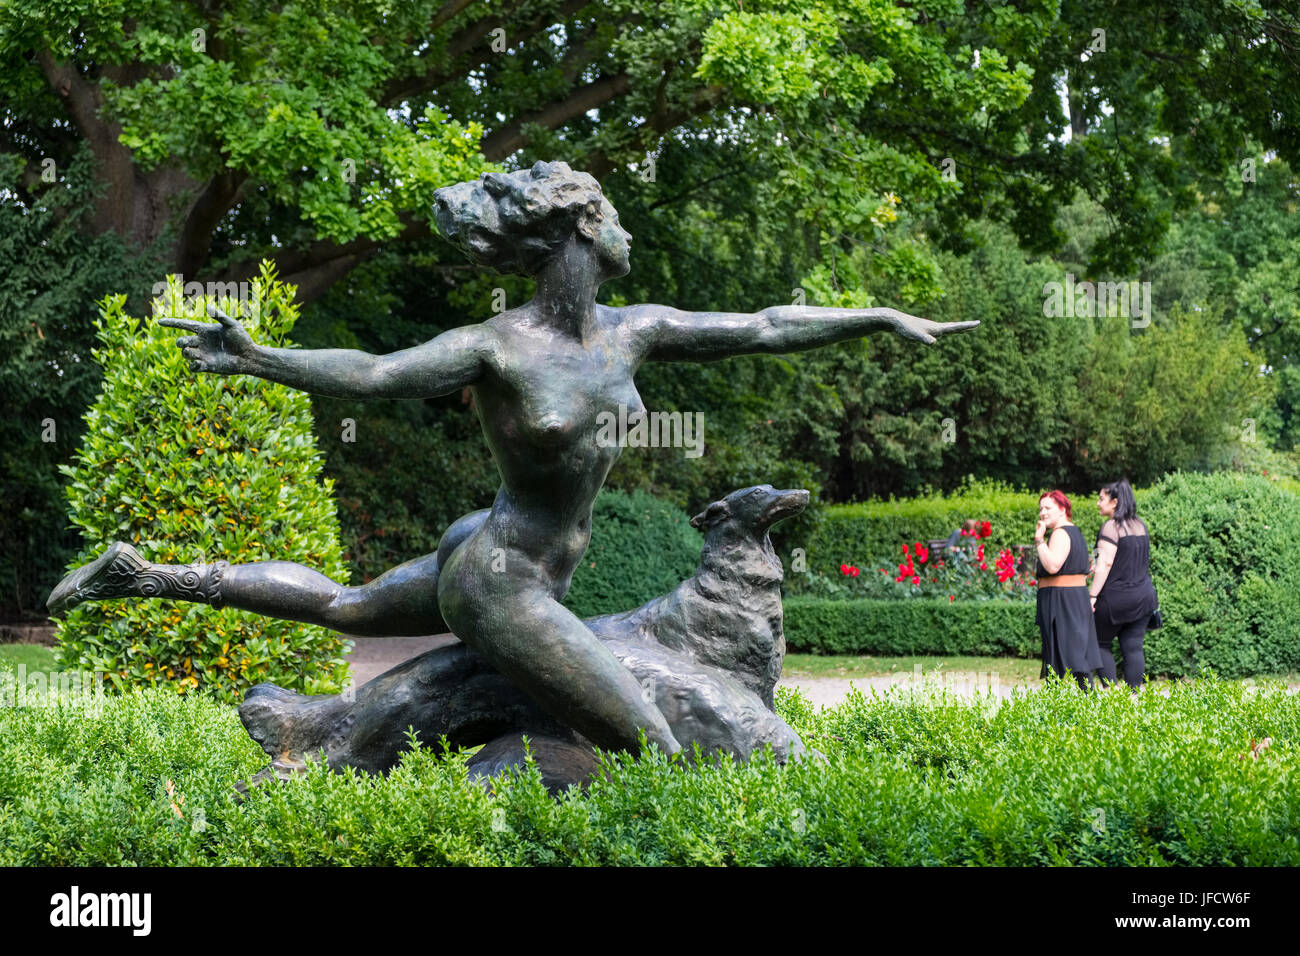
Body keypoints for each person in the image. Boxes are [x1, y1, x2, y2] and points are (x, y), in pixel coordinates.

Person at [45, 160, 979, 756]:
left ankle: (145, 573)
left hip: (486, 547)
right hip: (503, 581)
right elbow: (372, 373)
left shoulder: (637, 330)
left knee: (343, 605)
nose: (625, 232)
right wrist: (259, 359)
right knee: (653, 745)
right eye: (612, 217)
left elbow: (769, 325)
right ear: (579, 230)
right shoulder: (496, 346)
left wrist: (882, 315)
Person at [1089, 478, 1157, 689]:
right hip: (1144, 597)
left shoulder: (1111, 527)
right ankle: (1134, 697)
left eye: (1101, 499)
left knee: (1099, 643)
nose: (1098, 503)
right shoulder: (1140, 525)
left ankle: (1112, 695)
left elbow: (1105, 564)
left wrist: (1091, 596)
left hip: (1115, 599)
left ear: (1115, 502)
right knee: (1133, 648)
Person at [1034, 490, 1102, 689]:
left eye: (1048, 508)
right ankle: (1061, 706)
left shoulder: (1061, 533)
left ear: (1062, 509)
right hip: (1068, 598)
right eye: (1041, 509)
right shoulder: (1073, 531)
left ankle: (1084, 704)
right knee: (1067, 656)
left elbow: (1052, 565)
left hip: (1062, 601)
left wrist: (1039, 540)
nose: (1043, 513)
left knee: (1069, 657)